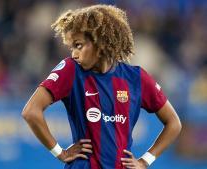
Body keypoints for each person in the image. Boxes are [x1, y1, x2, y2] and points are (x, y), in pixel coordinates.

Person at [22, 4, 181, 169]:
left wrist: (145, 161)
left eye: (78, 45)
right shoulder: (71, 70)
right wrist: (60, 152)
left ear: (100, 42)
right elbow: (31, 111)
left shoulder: (136, 78)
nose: (74, 54)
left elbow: (174, 123)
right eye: (72, 47)